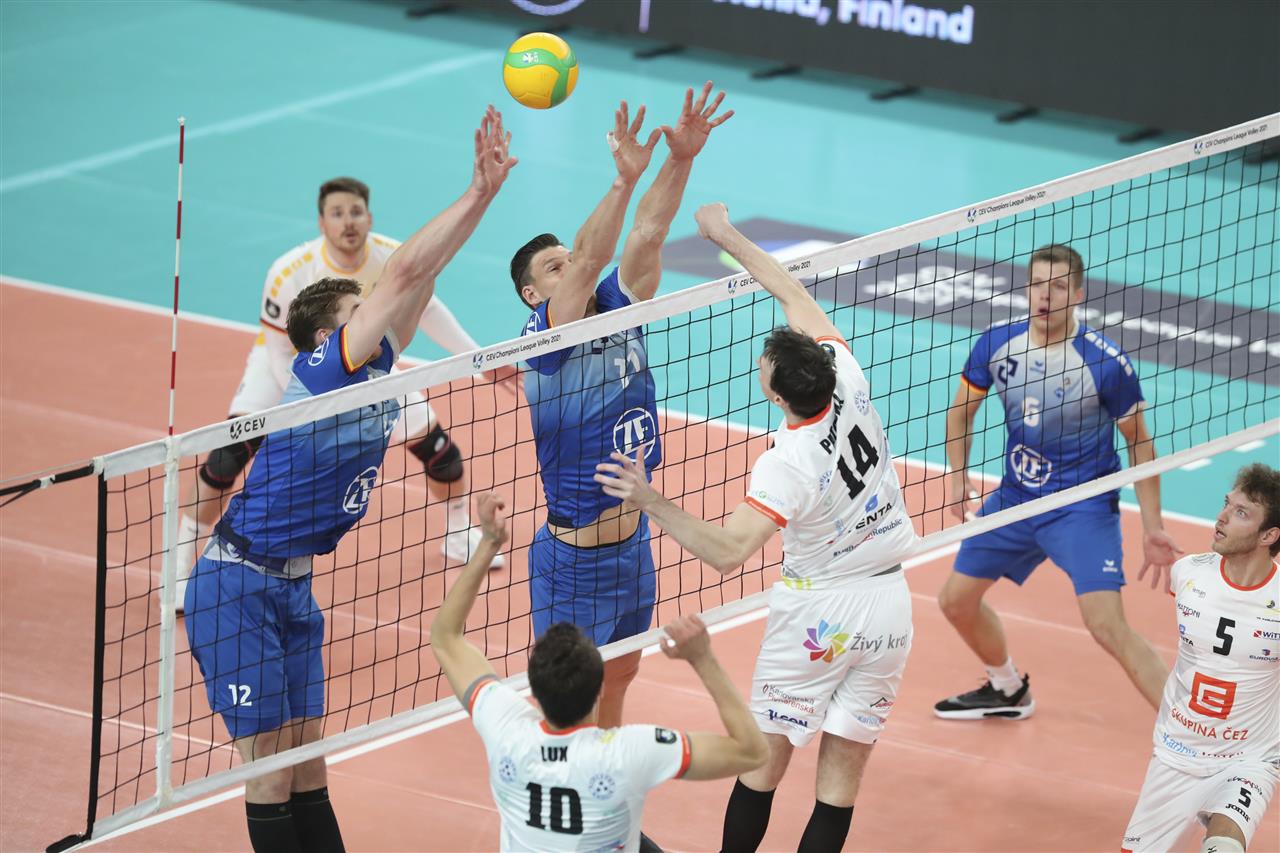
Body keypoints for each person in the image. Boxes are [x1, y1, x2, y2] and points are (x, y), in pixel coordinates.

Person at [183, 107, 516, 853]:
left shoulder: (375, 373)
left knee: (309, 766)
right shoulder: (325, 371)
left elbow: (423, 277)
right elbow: (403, 273)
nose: (376, 314)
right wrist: (473, 189)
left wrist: (487, 197)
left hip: (294, 589)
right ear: (331, 336)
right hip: (236, 586)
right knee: (270, 772)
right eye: (358, 311)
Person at [596, 202, 920, 853]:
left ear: (776, 396)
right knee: (840, 783)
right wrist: (724, 234)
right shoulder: (847, 375)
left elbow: (727, 550)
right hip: (890, 606)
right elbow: (792, 292)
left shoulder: (787, 462)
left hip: (820, 615)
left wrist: (648, 499)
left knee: (761, 767)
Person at [174, 174, 518, 609]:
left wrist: (481, 360)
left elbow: (425, 294)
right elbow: (281, 351)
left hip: (362, 369)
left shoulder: (390, 257)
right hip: (286, 365)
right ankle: (180, 567)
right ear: (322, 223)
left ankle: (457, 533)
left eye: (355, 212)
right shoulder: (289, 271)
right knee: (226, 459)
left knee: (439, 452)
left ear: (369, 217)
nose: (348, 222)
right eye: (337, 214)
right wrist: (305, 409)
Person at [512, 82, 732, 728]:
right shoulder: (544, 339)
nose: (570, 268)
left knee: (621, 682)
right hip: (573, 562)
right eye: (552, 268)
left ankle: (606, 790)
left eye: (565, 260)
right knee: (567, 712)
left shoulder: (618, 305)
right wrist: (622, 179)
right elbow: (589, 257)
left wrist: (680, 158)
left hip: (633, 547)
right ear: (533, 295)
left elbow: (649, 231)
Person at [429, 491, 768, 853]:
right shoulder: (627, 754)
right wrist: (703, 659)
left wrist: (488, 544)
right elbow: (752, 752)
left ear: (534, 688)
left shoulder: (507, 731)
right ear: (599, 690)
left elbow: (445, 638)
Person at [934, 243, 1184, 719]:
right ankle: (1008, 689)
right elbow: (960, 413)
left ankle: (1189, 733)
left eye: (1058, 287)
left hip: (1081, 507)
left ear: (1078, 294)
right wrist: (957, 476)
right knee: (955, 602)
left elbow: (1140, 443)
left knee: (1107, 625)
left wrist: (1152, 526)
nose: (1045, 296)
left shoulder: (1104, 363)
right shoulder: (996, 344)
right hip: (1016, 499)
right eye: (1037, 285)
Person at [1121, 463, 1279, 853]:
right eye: (1227, 504)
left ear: (1269, 535)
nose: (1221, 517)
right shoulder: (1188, 574)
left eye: (1241, 513)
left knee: (1223, 847)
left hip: (1249, 759)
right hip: (1176, 754)